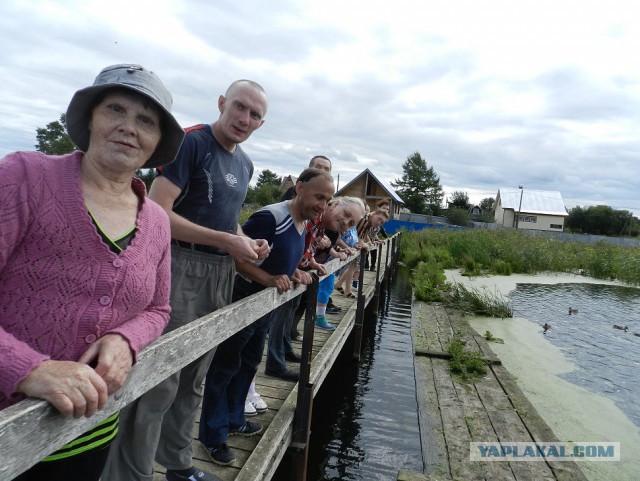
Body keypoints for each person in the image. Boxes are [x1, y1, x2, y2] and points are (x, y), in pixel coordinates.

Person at [0, 64, 184, 481]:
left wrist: (126, 339)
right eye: (114, 109)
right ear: (90, 119)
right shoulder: (24, 177)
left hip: (92, 430)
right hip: (7, 432)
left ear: (157, 141)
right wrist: (28, 369)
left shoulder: (156, 221)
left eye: (145, 120)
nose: (128, 127)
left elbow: (158, 308)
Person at [102, 80, 269, 481]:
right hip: (178, 266)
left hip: (219, 274)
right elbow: (158, 212)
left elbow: (226, 222)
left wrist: (246, 242)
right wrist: (227, 241)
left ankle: (178, 466)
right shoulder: (191, 142)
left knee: (194, 378)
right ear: (222, 103)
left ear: (261, 123)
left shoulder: (244, 164)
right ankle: (133, 473)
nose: (245, 119)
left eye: (255, 115)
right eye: (240, 107)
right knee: (159, 380)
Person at [199, 169, 335, 466]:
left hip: (263, 307)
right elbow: (237, 257)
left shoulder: (303, 223)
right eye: (318, 196)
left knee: (248, 362)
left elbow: (281, 258)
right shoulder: (271, 217)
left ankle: (235, 418)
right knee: (224, 367)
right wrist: (269, 278)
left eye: (328, 199)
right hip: (243, 299)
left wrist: (294, 271)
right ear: (299, 187)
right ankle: (213, 435)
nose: (322, 205)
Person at [265, 196, 365, 375]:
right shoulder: (312, 218)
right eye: (346, 214)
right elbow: (291, 245)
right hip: (281, 275)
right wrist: (296, 266)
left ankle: (285, 351)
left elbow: (308, 247)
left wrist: (310, 262)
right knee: (279, 319)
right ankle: (275, 364)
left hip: (297, 272)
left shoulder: (321, 223)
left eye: (351, 222)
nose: (346, 221)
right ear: (334, 204)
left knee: (289, 313)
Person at [335, 208, 389, 298]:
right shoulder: (364, 220)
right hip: (344, 245)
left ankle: (339, 284)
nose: (379, 223)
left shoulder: (368, 221)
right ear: (374, 213)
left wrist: (368, 243)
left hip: (349, 246)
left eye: (382, 222)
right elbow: (359, 240)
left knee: (353, 266)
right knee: (352, 266)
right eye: (379, 219)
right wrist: (366, 245)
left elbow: (363, 236)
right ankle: (347, 290)